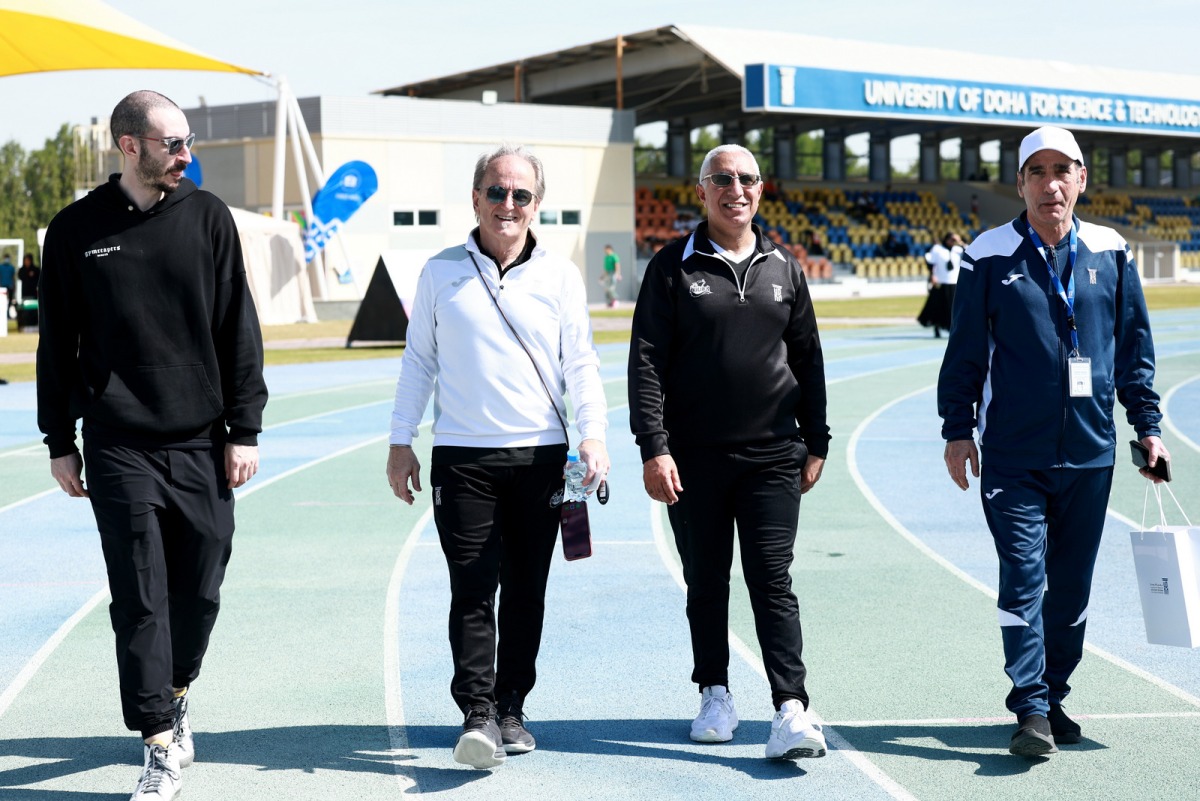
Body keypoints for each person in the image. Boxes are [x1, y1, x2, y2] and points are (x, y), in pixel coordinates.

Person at [37, 90, 267, 800]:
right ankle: (158, 743)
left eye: (188, 141)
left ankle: (177, 688)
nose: (186, 155)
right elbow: (55, 345)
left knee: (200, 586)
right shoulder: (75, 230)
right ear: (129, 146)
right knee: (139, 596)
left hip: (200, 440)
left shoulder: (208, 217)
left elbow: (239, 329)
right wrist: (59, 439)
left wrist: (245, 426)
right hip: (117, 444)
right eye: (173, 144)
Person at [938, 126, 1169, 758]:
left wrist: (1147, 426)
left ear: (1081, 179)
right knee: (1022, 577)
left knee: (1070, 590)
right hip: (1013, 456)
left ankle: (1055, 694)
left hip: (1091, 455)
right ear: (1020, 184)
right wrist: (958, 428)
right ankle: (1031, 706)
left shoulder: (1112, 250)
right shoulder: (987, 253)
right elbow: (963, 353)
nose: (1050, 183)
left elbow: (1133, 349)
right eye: (1036, 172)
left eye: (1062, 170)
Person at [387, 144, 610, 770]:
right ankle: (477, 713)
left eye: (520, 195)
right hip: (462, 459)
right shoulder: (439, 271)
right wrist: (401, 440)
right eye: (495, 192)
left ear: (537, 205)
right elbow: (418, 363)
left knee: (527, 589)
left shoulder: (561, 276)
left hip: (542, 459)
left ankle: (512, 704)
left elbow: (581, 364)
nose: (506, 205)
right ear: (475, 197)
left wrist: (593, 435)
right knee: (473, 586)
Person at [628, 144, 830, 761]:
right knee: (706, 583)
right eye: (721, 179)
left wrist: (817, 439)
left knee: (773, 581)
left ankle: (790, 708)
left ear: (760, 190)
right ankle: (714, 693)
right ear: (701, 192)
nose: (734, 189)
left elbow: (808, 359)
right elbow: (646, 362)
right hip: (694, 459)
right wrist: (654, 448)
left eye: (745, 179)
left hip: (774, 456)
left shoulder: (784, 268)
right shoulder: (670, 267)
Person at [917, 232, 964, 337]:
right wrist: (932, 275)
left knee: (953, 307)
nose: (953, 242)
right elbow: (930, 262)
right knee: (938, 306)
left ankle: (952, 328)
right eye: (951, 239)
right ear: (946, 239)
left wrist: (960, 242)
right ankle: (937, 327)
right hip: (941, 282)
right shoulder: (938, 249)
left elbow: (969, 254)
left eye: (954, 240)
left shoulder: (959, 250)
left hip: (954, 282)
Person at [0, 252, 15, 317]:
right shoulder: (1, 267)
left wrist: (14, 286)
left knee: (10, 300)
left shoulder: (11, 267)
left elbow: (13, 277)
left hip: (10, 286)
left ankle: (8, 313)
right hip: (2, 286)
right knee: (3, 300)